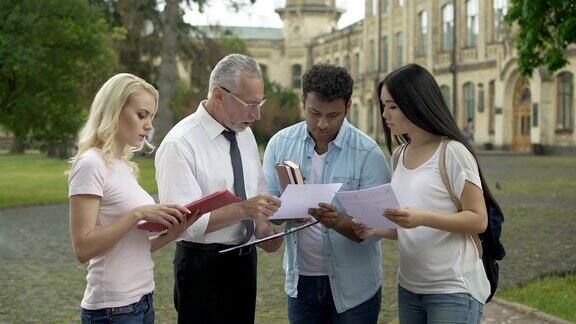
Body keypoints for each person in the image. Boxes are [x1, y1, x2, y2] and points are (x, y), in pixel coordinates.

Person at [352, 64, 498, 323]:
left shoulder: (452, 152)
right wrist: (376, 230)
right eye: (383, 105)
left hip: (453, 289)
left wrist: (423, 218)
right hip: (409, 287)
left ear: (416, 103)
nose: (385, 113)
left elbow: (478, 219)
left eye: (393, 106)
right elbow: (408, 225)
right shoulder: (399, 155)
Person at [155, 53, 282, 324]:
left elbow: (256, 194)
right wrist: (243, 209)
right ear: (219, 95)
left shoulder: (244, 134)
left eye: (260, 103)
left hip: (245, 262)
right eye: (249, 104)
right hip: (203, 266)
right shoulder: (180, 144)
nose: (257, 114)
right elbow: (184, 223)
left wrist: (264, 231)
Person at [263, 64, 390, 324]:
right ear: (302, 101)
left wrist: (339, 222)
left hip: (356, 288)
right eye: (314, 113)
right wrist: (283, 212)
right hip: (301, 284)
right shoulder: (279, 144)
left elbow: (379, 229)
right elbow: (267, 212)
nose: (322, 123)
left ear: (348, 107)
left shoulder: (368, 153)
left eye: (333, 115)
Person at [68, 73, 200, 324]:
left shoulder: (123, 166)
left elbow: (130, 249)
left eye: (150, 117)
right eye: (141, 115)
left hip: (142, 299)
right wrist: (137, 215)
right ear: (114, 110)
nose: (149, 125)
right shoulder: (91, 163)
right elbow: (83, 248)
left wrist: (170, 234)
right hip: (113, 309)